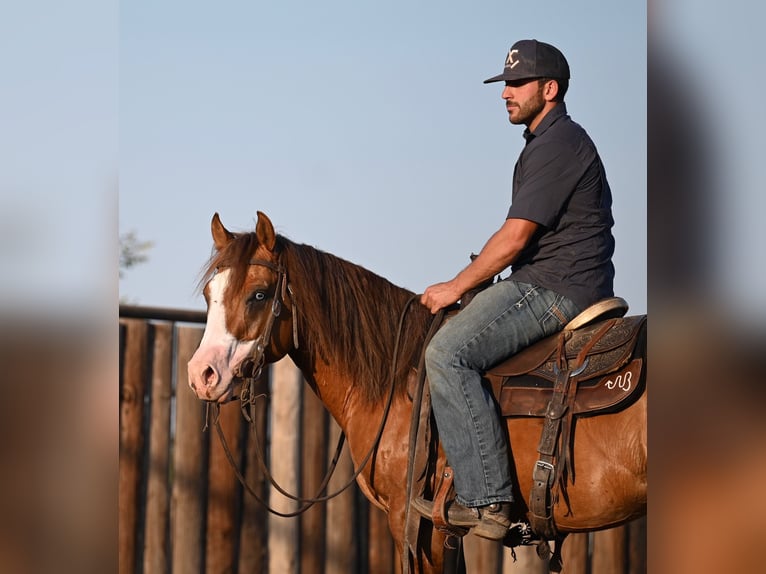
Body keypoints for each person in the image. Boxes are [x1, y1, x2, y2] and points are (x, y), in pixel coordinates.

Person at [412, 39, 616, 540]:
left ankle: (490, 501)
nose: (506, 93)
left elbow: (515, 237)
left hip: (556, 287)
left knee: (446, 353)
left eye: (517, 84)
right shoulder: (545, 144)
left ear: (550, 89)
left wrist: (455, 287)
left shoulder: (560, 144)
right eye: (504, 84)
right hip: (556, 279)